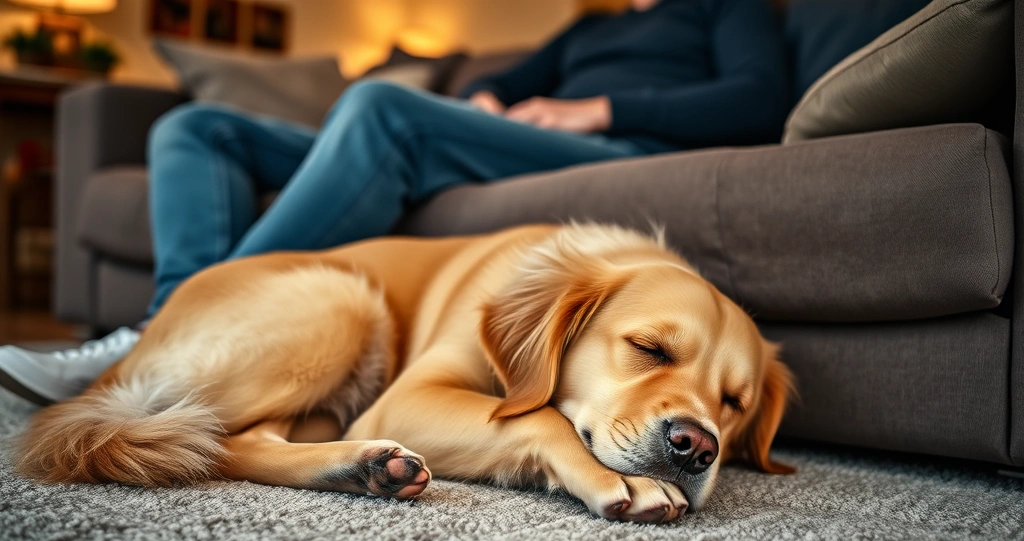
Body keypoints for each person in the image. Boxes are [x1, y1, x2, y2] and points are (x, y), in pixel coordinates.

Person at [0, 0, 788, 405]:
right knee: (198, 127)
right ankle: (177, 317)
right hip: (503, 144)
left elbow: (757, 100)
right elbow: (503, 85)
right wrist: (483, 99)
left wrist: (600, 110)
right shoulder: (587, 27)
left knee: (384, 110)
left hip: (615, 153)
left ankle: (154, 343)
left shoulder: (726, 6)